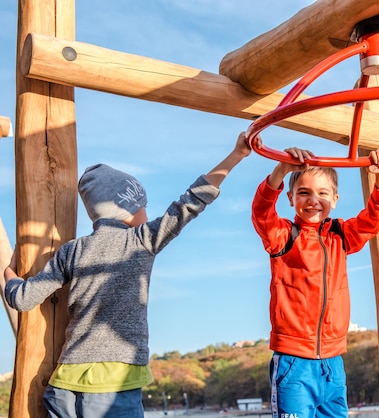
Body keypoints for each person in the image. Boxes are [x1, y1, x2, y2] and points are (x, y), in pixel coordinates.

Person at [3, 132, 251, 418]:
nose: (146, 213)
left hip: (64, 386)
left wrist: (10, 276)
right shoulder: (141, 240)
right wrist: (237, 156)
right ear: (126, 208)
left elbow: (22, 299)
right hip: (113, 383)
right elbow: (192, 201)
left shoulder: (73, 250)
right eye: (142, 206)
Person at [251, 142, 379, 417]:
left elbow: (371, 221)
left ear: (335, 199)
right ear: (290, 197)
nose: (313, 200)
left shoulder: (340, 235)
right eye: (303, 193)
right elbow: (261, 213)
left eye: (322, 193)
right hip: (294, 362)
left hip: (332, 363)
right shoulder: (284, 235)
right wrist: (281, 170)